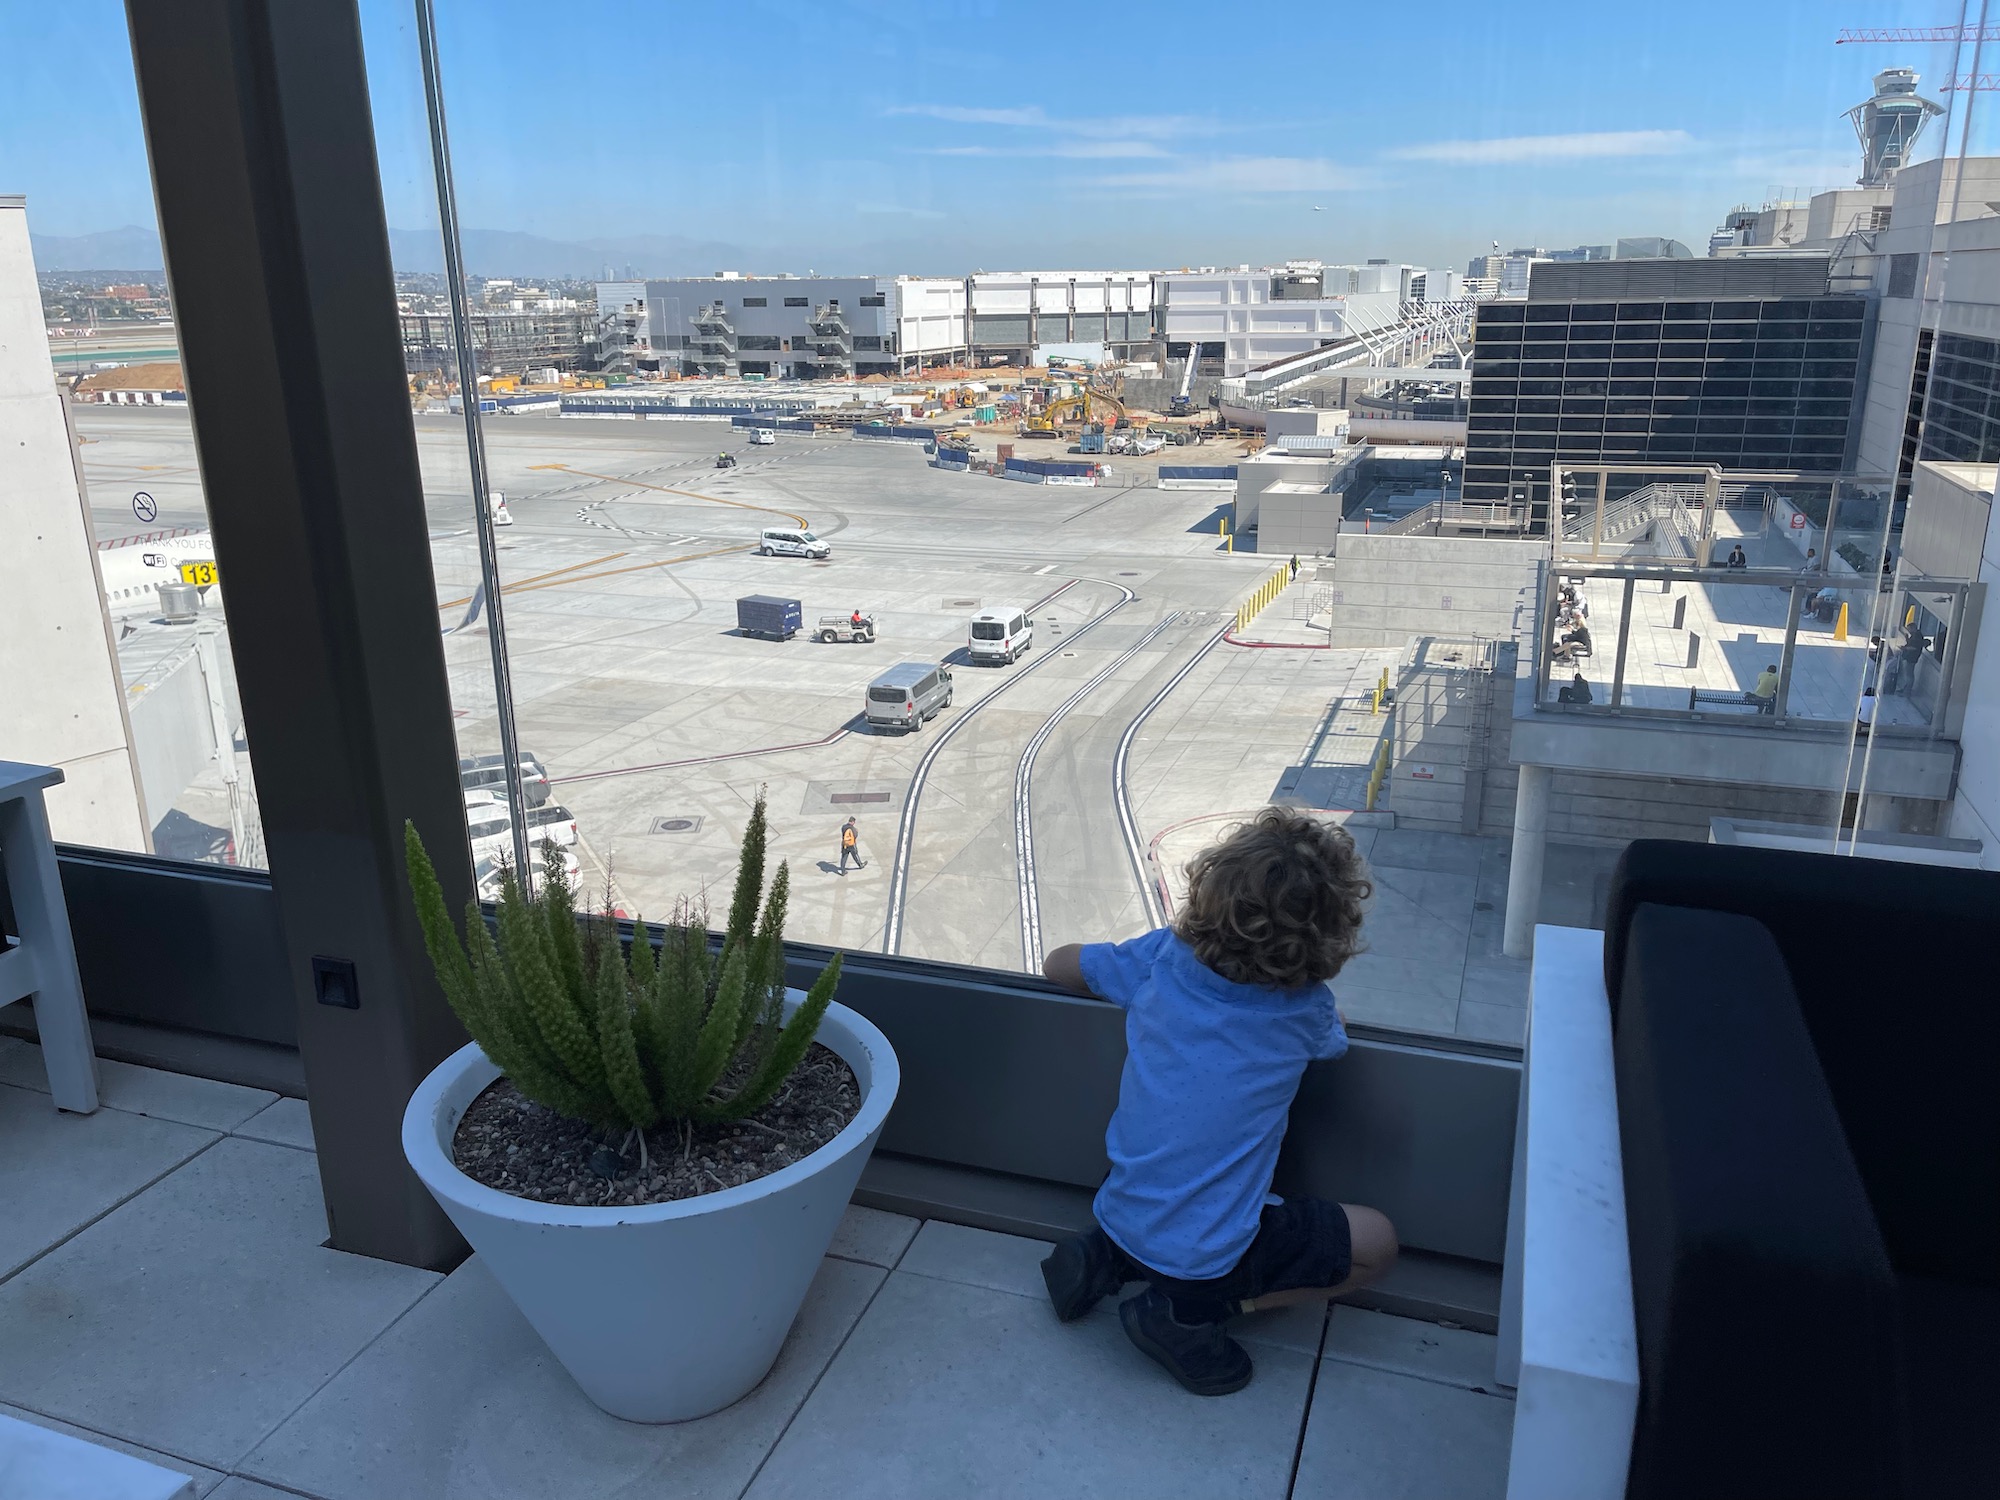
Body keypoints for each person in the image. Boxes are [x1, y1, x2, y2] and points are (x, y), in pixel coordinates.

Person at [1036, 809, 1398, 1396]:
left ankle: (1107, 1257)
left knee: (1168, 1183)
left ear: (1208, 893)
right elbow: (1334, 1038)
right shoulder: (1305, 1010)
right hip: (1207, 1254)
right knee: (1377, 1242)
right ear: (1331, 931)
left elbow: (1058, 964)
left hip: (1120, 1202)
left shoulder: (1160, 959)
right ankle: (1191, 1312)